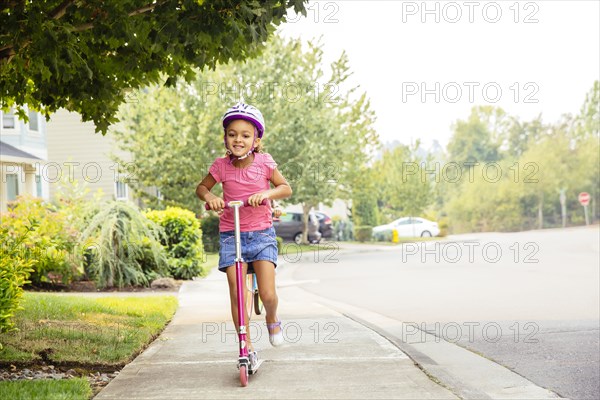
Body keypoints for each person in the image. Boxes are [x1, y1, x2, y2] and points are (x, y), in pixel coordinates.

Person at [195, 102, 292, 372]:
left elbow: (285, 188)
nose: (238, 139)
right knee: (240, 295)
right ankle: (246, 346)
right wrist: (211, 196)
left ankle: (272, 318)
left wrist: (267, 195)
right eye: (232, 133)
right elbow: (201, 187)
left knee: (269, 295)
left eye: (245, 135)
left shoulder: (264, 162)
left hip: (261, 234)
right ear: (225, 137)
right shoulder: (221, 166)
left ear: (256, 140)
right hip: (231, 234)